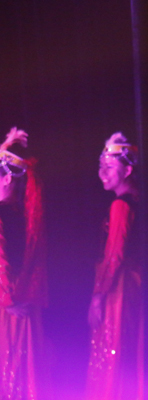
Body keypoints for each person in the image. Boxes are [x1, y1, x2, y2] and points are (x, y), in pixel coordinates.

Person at [85, 132, 143, 400]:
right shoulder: (136, 199)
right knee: (126, 347)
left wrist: (98, 296)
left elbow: (114, 255)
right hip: (130, 283)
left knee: (112, 348)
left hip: (117, 287)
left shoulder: (121, 204)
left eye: (109, 167)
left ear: (127, 170)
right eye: (101, 166)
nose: (102, 173)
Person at [0, 127, 50, 398]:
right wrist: (6, 146)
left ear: (7, 178)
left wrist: (8, 301)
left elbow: (1, 261)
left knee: (11, 368)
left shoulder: (7, 215)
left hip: (8, 304)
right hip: (17, 298)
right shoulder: (23, 214)